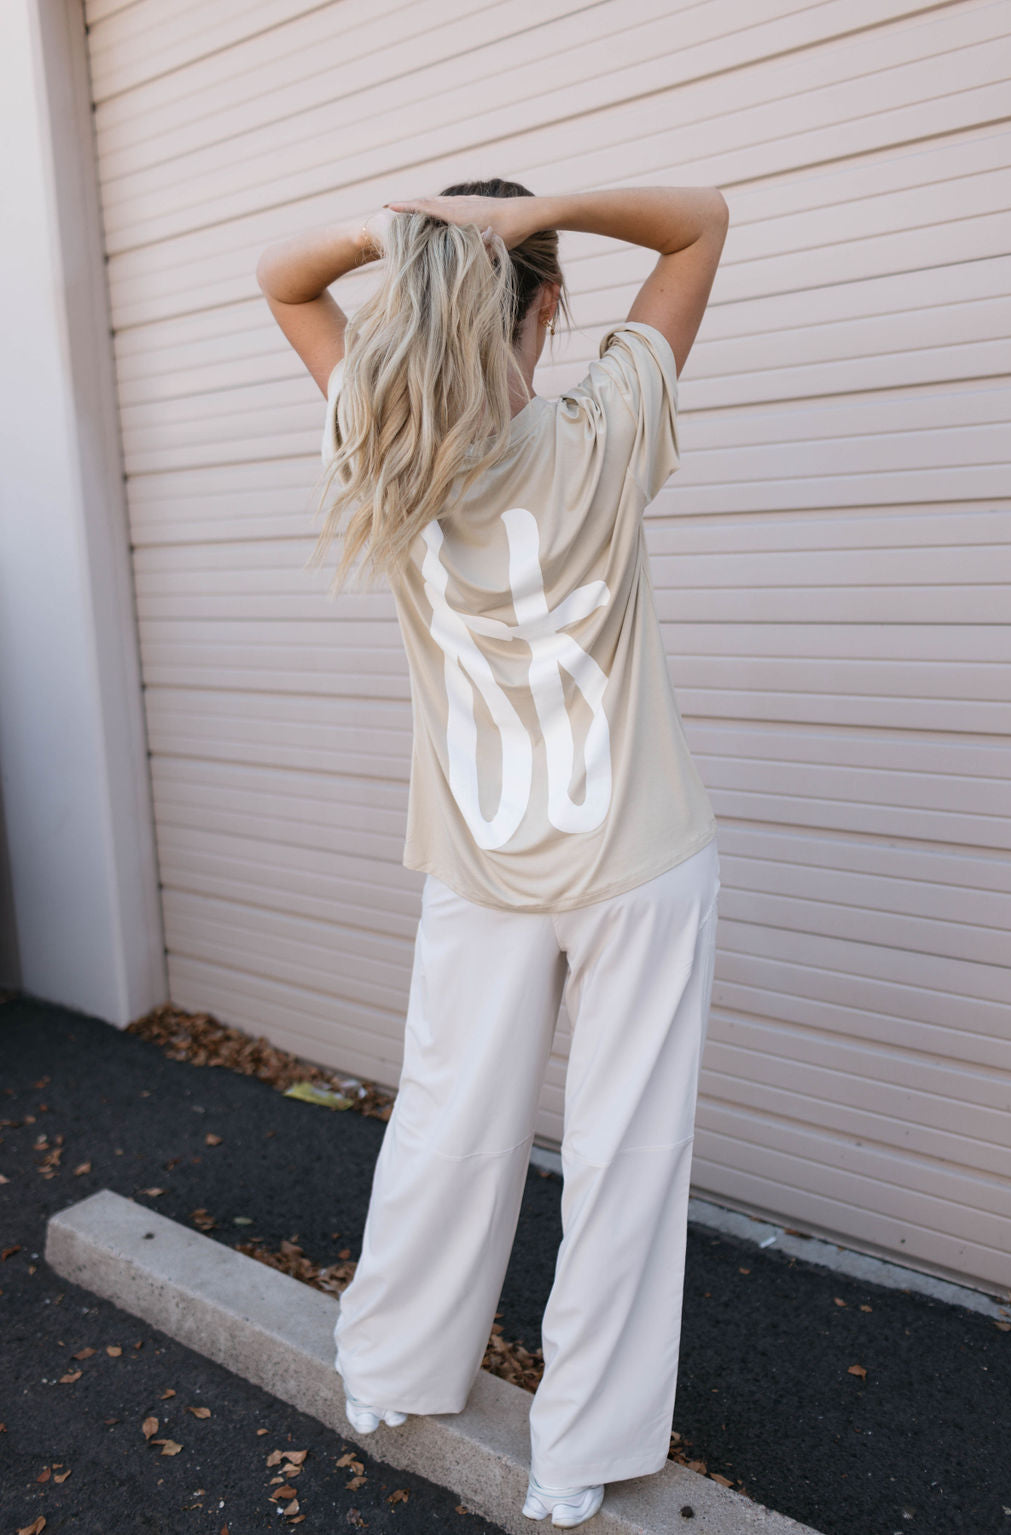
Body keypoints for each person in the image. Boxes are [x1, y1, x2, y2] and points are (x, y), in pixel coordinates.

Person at [256, 178, 729, 1529]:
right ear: (553, 306)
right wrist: (542, 206)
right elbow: (702, 222)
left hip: (480, 866)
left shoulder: (384, 438)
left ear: (420, 300)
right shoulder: (605, 430)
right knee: (627, 1157)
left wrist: (398, 224)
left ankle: (391, 1372)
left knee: (449, 1127)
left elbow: (281, 278)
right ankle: (581, 1454)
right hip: (642, 857)